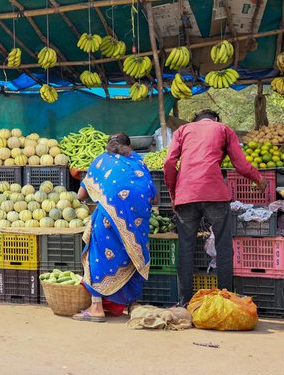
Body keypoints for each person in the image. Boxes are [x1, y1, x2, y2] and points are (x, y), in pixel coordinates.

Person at [163, 109, 265, 305]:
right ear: (216, 119)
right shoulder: (223, 129)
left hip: (187, 194)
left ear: (195, 119)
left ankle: (185, 303)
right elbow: (241, 165)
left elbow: (169, 163)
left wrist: (173, 193)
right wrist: (258, 178)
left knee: (185, 248)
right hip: (215, 193)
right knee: (223, 247)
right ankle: (225, 299)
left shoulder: (182, 130)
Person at [72, 133, 156, 322]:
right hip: (138, 220)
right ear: (130, 147)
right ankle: (133, 304)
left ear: (107, 147)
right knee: (134, 255)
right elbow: (154, 197)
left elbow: (80, 195)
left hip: (110, 217)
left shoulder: (102, 161)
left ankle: (96, 308)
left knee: (98, 254)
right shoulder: (139, 163)